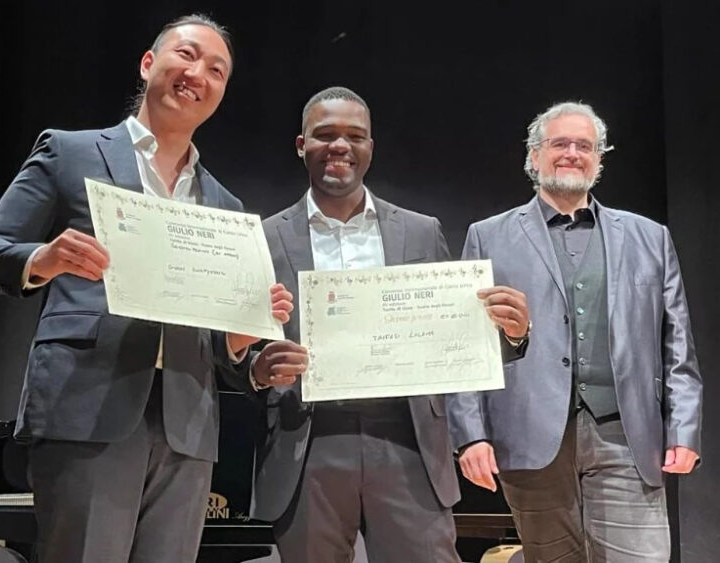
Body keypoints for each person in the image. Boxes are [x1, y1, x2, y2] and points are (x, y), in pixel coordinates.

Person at [0, 14, 292, 563]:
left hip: (188, 428)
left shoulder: (226, 207)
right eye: (187, 55)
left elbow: (218, 348)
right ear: (148, 63)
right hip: (88, 409)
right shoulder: (70, 153)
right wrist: (43, 259)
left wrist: (239, 339)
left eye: (217, 70)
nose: (199, 74)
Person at [248, 86, 530, 562]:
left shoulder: (421, 232)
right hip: (307, 442)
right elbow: (241, 350)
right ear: (301, 145)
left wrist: (513, 335)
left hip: (408, 441)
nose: (340, 145)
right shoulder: (264, 238)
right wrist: (258, 369)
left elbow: (454, 342)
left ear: (370, 148)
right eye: (325, 135)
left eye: (355, 136)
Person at [447, 101, 703, 562]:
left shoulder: (649, 237)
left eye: (584, 146)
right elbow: (465, 344)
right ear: (534, 155)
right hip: (529, 438)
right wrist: (470, 434)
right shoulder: (488, 236)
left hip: (626, 435)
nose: (571, 153)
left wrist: (683, 429)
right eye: (559, 143)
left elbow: (677, 345)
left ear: (599, 159)